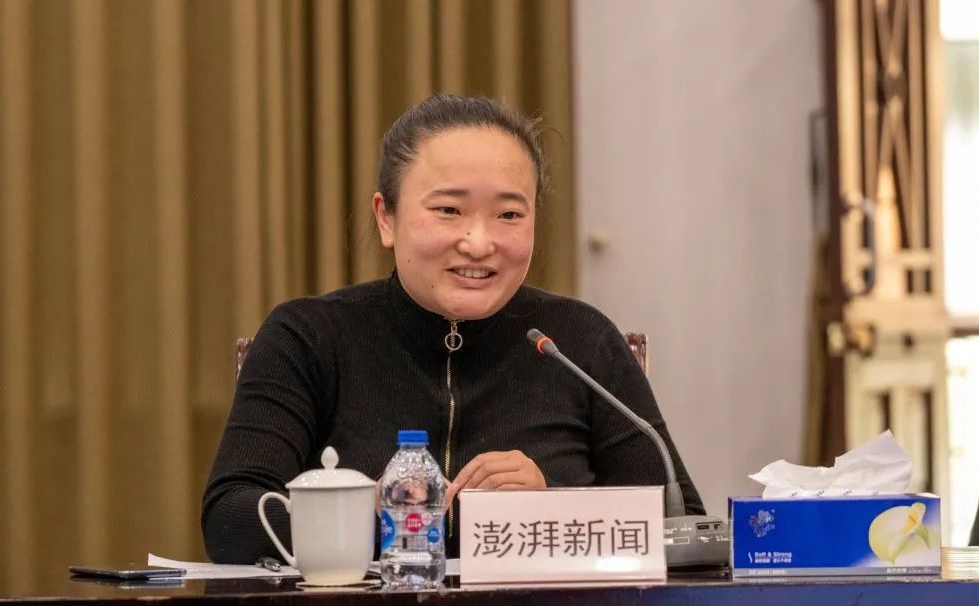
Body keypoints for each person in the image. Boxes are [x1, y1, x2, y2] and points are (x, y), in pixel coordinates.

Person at [201, 93, 705, 564]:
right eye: (448, 210)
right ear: (386, 218)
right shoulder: (308, 336)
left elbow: (683, 527)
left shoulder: (579, 341)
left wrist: (550, 507)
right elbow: (230, 520)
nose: (479, 243)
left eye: (509, 214)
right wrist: (371, 513)